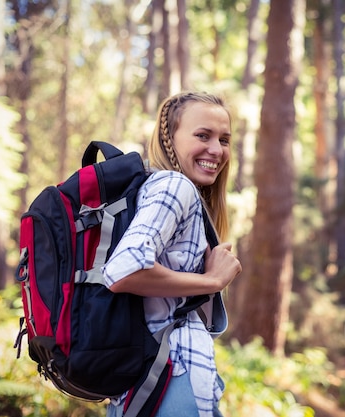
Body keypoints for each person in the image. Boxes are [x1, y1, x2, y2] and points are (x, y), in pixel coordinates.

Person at [102, 91, 243, 417]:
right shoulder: (173, 187)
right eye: (202, 135)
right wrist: (210, 280)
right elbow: (123, 270)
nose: (216, 150)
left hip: (155, 382)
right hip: (170, 381)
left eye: (224, 139)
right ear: (170, 139)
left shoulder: (163, 190)